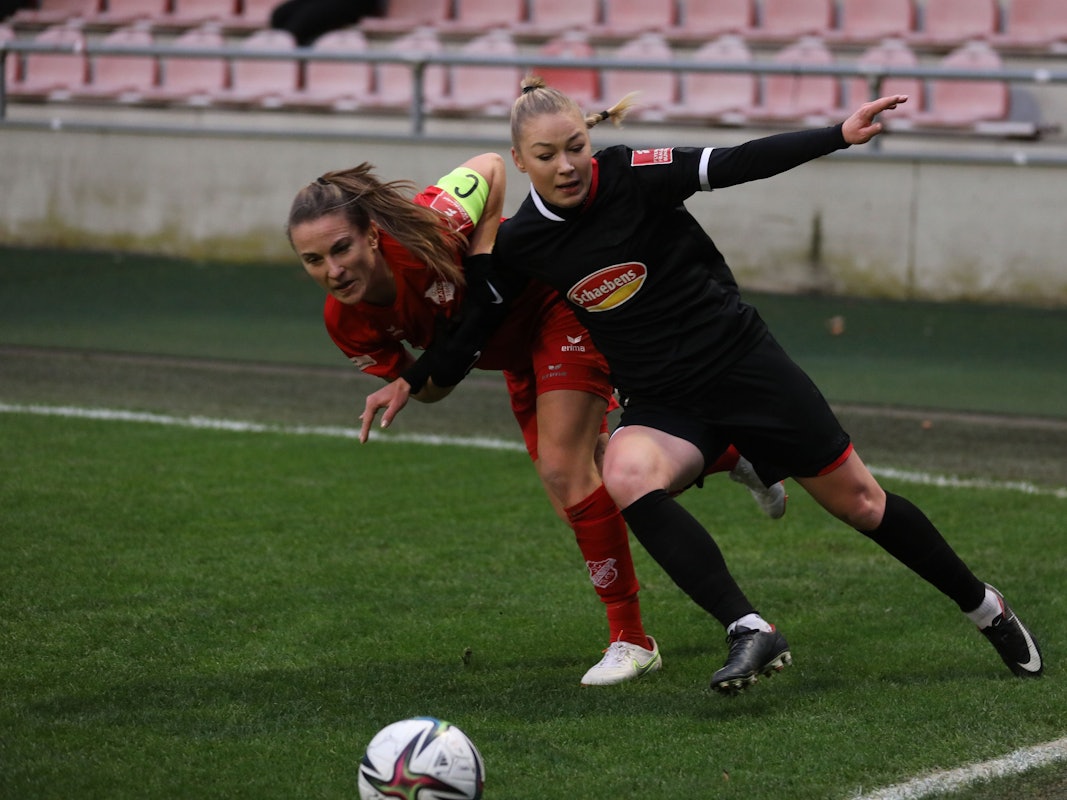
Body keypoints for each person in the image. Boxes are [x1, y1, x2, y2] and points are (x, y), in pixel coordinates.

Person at [461, 77, 1042, 693]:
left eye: (575, 145)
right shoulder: (523, 239)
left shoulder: (634, 172)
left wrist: (837, 136)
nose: (567, 165)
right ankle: (748, 628)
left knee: (863, 505)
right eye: (547, 155)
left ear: (590, 137)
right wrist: (409, 375)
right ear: (521, 161)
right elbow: (477, 319)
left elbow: (735, 163)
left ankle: (984, 607)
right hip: (664, 401)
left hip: (743, 367)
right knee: (628, 475)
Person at [285, 153, 786, 686]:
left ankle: (632, 641)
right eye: (313, 260)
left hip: (554, 307)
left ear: (372, 238)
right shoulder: (346, 324)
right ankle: (731, 455)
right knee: (584, 491)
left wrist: (481, 258)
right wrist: (426, 373)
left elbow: (493, 167)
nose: (333, 271)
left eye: (341, 248)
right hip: (513, 357)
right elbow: (435, 389)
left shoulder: (430, 223)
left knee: (563, 469)